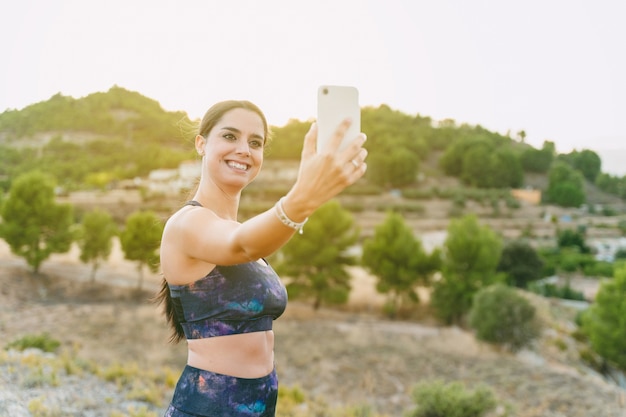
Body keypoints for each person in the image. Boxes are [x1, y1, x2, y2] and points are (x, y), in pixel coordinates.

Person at [155, 99, 367, 417]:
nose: (244, 149)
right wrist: (304, 196)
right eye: (230, 136)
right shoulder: (187, 223)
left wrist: (307, 199)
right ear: (201, 143)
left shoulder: (236, 229)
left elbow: (246, 239)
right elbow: (241, 246)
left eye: (256, 142)